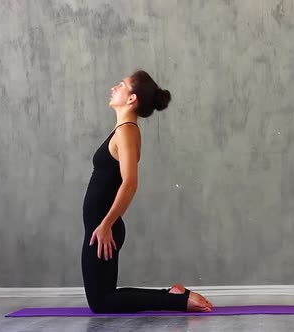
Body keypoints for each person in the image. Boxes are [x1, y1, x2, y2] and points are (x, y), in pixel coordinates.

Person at [81, 70, 213, 313]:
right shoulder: (122, 130)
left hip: (104, 228)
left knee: (102, 301)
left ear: (132, 99)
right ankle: (175, 297)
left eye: (121, 85)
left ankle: (177, 300)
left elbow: (130, 182)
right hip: (100, 227)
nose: (114, 87)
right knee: (103, 298)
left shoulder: (127, 131)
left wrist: (107, 223)